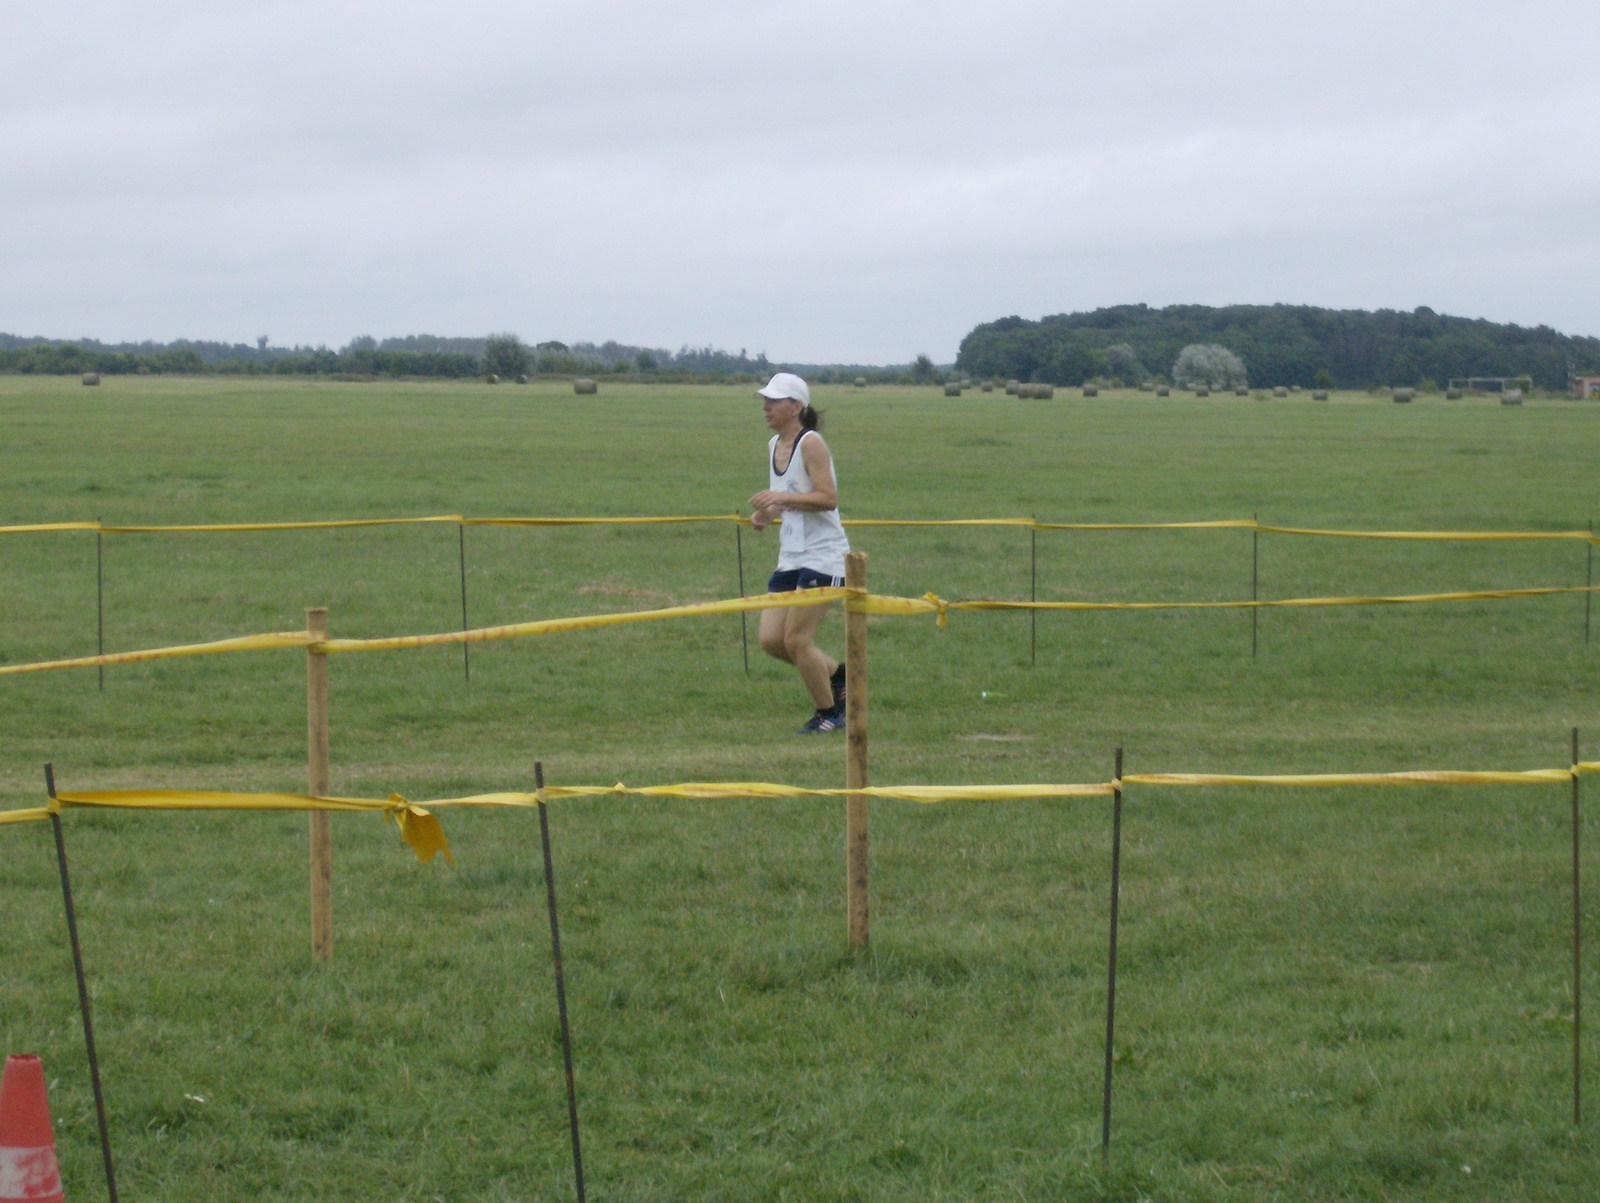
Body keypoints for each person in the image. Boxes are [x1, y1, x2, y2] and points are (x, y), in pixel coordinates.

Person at [747, 372, 851, 733]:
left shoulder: (812, 443)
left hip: (824, 555)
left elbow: (827, 498)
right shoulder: (774, 444)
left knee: (796, 639)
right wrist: (767, 513)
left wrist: (779, 498)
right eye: (764, 400)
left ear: (796, 407)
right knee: (773, 641)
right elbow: (789, 492)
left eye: (773, 401)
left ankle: (829, 714)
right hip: (791, 554)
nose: (765, 407)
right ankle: (840, 676)